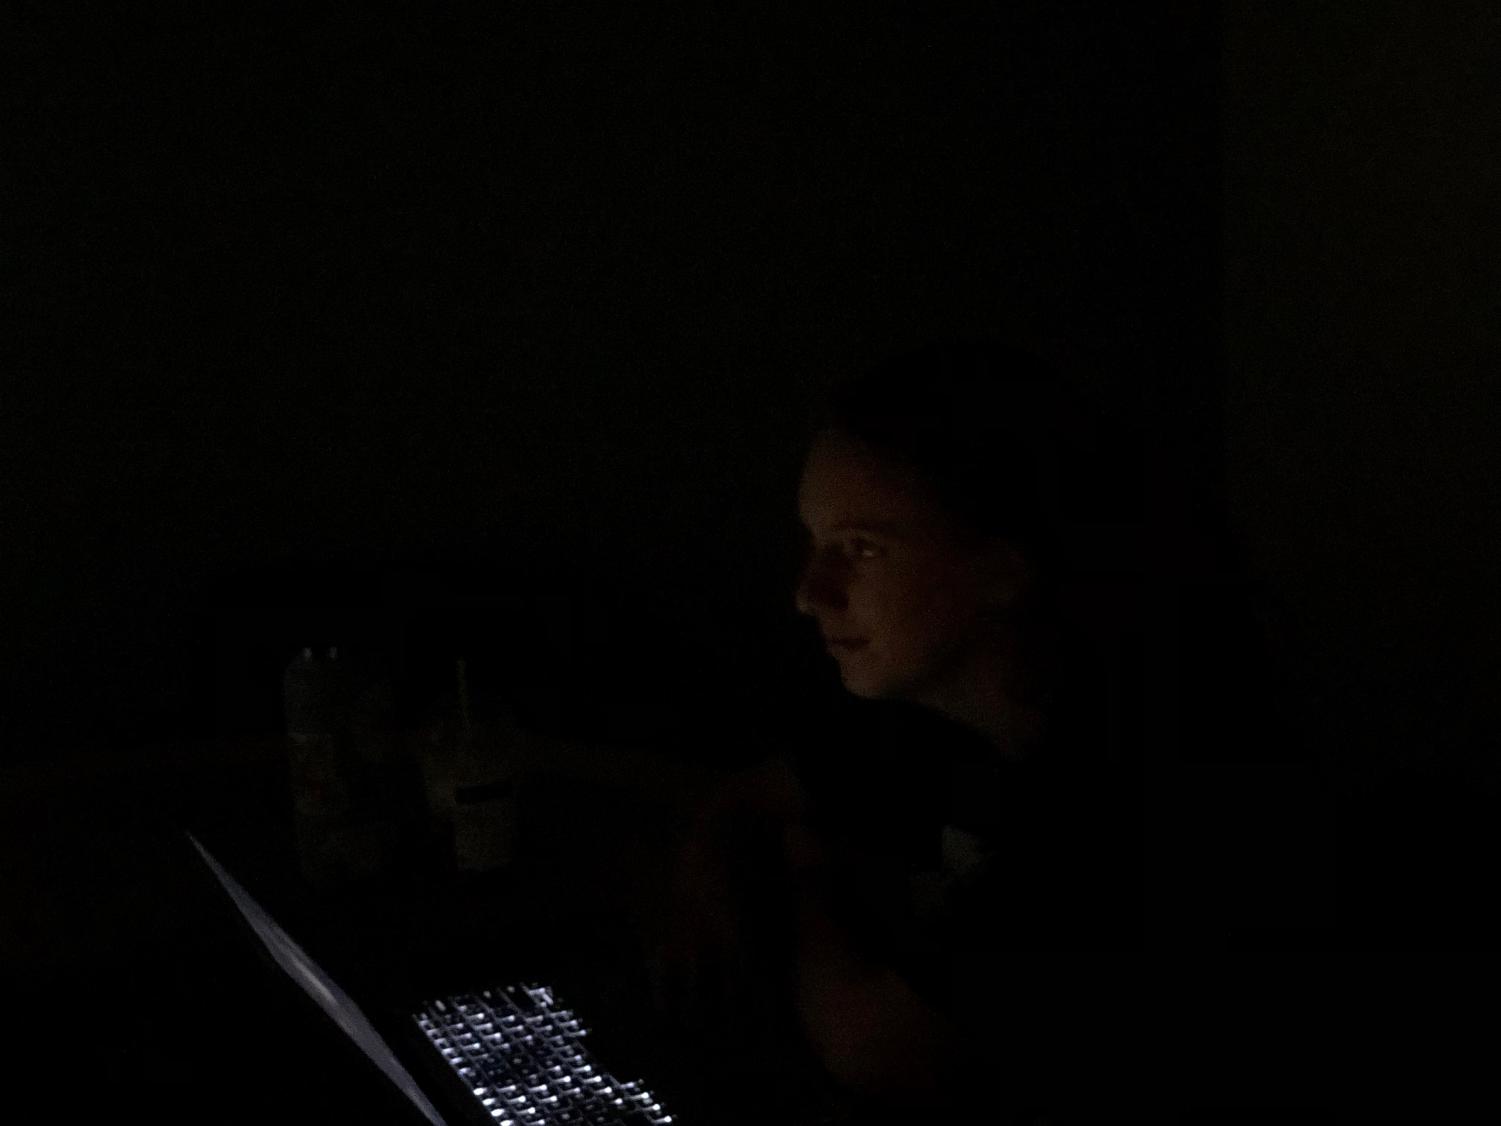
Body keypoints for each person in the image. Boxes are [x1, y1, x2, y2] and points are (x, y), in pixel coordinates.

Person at [650, 338, 1148, 1123]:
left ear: (1005, 566)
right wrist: (710, 863)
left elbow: (877, 1054)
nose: (808, 595)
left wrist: (809, 872)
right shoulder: (936, 716)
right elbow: (747, 799)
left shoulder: (1124, 801)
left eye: (861, 549)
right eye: (814, 545)